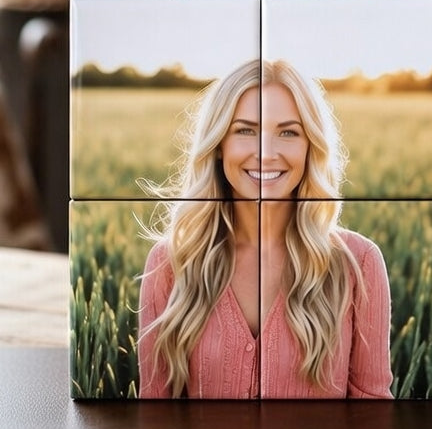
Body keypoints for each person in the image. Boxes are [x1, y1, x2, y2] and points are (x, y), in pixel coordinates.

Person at [137, 59, 392, 399]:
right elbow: (154, 414)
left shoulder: (359, 263)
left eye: (288, 132)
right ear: (218, 145)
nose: (266, 154)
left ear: (310, 147)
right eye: (245, 130)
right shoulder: (169, 263)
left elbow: (373, 413)